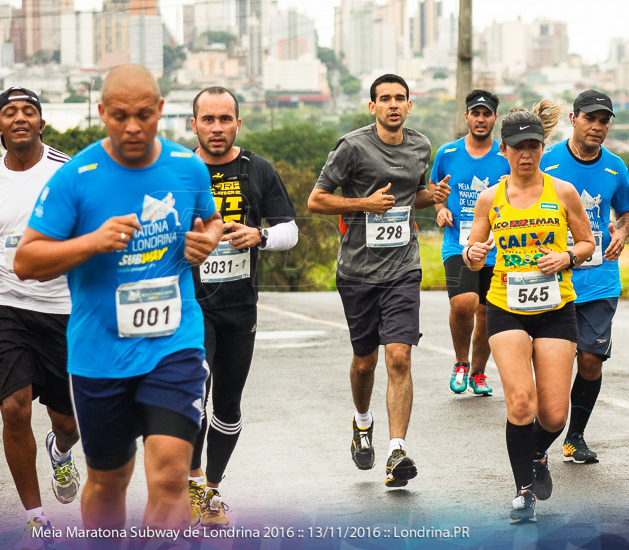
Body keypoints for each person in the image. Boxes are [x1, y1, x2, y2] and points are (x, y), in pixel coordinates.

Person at [15, 64, 222, 531]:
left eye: (144, 115)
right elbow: (27, 261)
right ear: (103, 112)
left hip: (175, 342)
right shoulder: (76, 177)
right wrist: (92, 241)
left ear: (161, 111)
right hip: (99, 353)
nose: (133, 127)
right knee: (110, 480)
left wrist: (206, 240)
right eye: (121, 116)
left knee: (170, 475)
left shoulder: (187, 168)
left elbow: (208, 220)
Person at [308, 73, 450, 488]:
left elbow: (411, 197)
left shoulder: (421, 146)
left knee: (400, 357)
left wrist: (433, 194)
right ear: (372, 107)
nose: (392, 104)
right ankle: (362, 421)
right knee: (365, 362)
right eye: (384, 98)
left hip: (403, 268)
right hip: (357, 272)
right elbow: (317, 200)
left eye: (399, 98)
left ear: (410, 105)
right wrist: (362, 203)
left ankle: (397, 450)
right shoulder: (352, 147)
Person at [463, 103, 595, 523]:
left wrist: (567, 257)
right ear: (503, 150)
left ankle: (537, 452)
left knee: (554, 415)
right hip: (506, 306)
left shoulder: (564, 192)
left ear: (542, 148)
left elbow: (588, 243)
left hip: (556, 307)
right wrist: (473, 253)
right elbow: (472, 253)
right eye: (518, 147)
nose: (526, 154)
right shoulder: (490, 198)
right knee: (521, 401)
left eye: (533, 146)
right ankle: (523, 492)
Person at [188, 86, 298, 526]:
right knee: (193, 397)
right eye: (208, 120)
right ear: (192, 124)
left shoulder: (258, 169)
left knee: (228, 406)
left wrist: (260, 236)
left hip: (239, 306)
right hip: (189, 306)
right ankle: (194, 485)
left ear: (238, 122)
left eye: (225, 119)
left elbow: (290, 229)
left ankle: (212, 487)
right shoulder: (177, 171)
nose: (217, 128)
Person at [0, 87, 80, 546]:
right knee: (13, 409)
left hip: (63, 309)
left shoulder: (66, 172)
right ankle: (35, 517)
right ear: (1, 125)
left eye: (29, 111)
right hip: (8, 307)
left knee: (67, 422)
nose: (20, 118)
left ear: (42, 123)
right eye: (9, 112)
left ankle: (61, 450)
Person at [541, 90, 629, 465]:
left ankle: (574, 437)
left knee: (591, 360)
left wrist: (622, 233)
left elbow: (626, 213)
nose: (597, 127)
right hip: (551, 278)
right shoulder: (547, 162)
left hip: (599, 279)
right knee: (555, 361)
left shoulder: (616, 167)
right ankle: (541, 435)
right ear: (573, 119)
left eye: (604, 121)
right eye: (590, 119)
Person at [429, 90, 509, 397]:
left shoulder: (505, 156)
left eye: (486, 114)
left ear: (494, 119)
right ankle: (461, 363)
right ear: (466, 117)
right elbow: (437, 189)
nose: (480, 119)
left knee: (488, 312)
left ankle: (478, 372)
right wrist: (441, 209)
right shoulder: (448, 153)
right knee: (464, 302)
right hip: (458, 244)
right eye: (475, 113)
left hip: (496, 247)